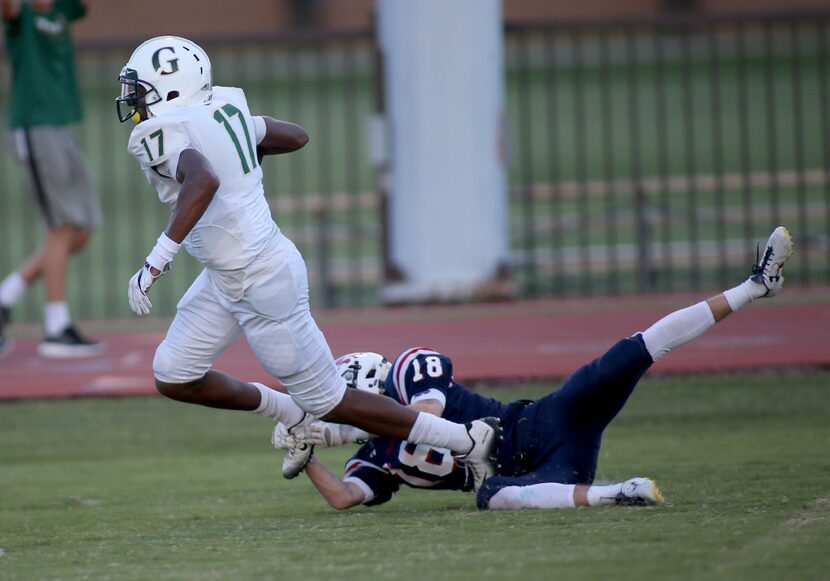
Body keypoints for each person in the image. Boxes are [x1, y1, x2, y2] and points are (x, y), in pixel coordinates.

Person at [116, 35, 499, 491]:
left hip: (261, 279)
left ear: (173, 89)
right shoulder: (220, 109)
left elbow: (202, 178)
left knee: (334, 401)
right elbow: (294, 135)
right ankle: (291, 414)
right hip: (226, 276)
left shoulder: (163, 131)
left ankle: (467, 439)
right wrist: (241, 144)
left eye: (142, 91)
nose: (134, 103)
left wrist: (157, 260)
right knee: (174, 375)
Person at [272, 226, 794, 510]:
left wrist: (336, 432)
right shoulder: (370, 453)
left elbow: (426, 415)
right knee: (494, 495)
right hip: (535, 473)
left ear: (365, 386)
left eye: (347, 403)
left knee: (630, 352)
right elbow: (345, 498)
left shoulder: (409, 368)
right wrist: (308, 457)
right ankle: (618, 493)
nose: (346, 414)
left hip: (542, 421)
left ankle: (753, 287)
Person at [0, 0, 102, 358]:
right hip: (34, 127)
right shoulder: (20, 13)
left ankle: (5, 295)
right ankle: (56, 329)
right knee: (60, 226)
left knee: (82, 229)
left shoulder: (62, 8)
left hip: (60, 128)